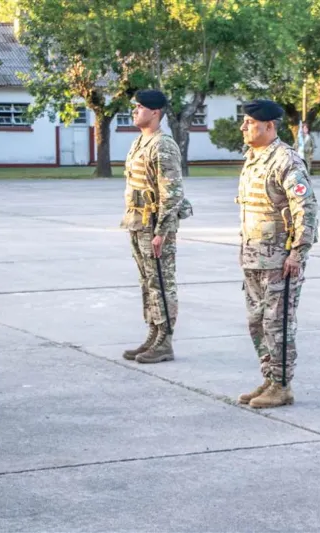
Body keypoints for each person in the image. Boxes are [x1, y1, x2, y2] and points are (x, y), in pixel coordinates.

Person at [236, 99, 319, 409]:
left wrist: (297, 253)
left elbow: (305, 210)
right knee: (257, 323)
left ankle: (282, 384)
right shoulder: (253, 159)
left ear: (269, 126)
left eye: (250, 122)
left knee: (277, 323)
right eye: (244, 122)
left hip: (279, 261)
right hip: (254, 257)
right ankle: (270, 378)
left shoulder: (286, 160)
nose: (244, 127)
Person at [121, 90, 190, 364]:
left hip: (155, 226)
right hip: (137, 222)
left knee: (162, 282)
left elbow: (172, 192)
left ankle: (165, 341)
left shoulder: (164, 144)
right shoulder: (140, 142)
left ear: (155, 112)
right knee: (148, 281)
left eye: (139, 107)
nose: (135, 111)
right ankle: (153, 333)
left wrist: (162, 231)